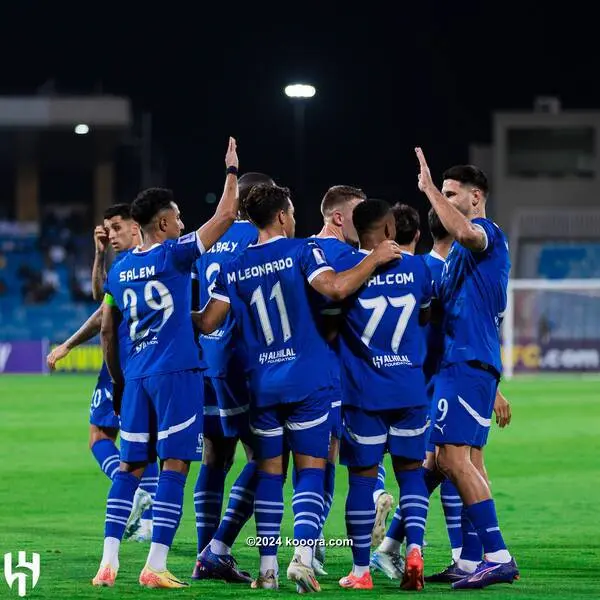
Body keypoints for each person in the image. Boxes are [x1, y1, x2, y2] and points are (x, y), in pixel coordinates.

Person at [192, 183, 402, 592]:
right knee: (310, 472)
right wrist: (375, 257)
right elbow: (337, 288)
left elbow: (206, 322)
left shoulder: (234, 264)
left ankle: (267, 570)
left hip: (260, 384)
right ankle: (303, 555)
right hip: (308, 380)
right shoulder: (303, 251)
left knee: (269, 473)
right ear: (284, 216)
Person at [92, 137, 239, 589]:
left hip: (137, 378)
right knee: (175, 467)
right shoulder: (175, 254)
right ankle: (155, 566)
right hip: (177, 374)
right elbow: (226, 217)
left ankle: (108, 562)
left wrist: (119, 379)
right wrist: (232, 170)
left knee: (131, 468)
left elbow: (108, 327)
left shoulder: (119, 271)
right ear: (161, 222)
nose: (181, 223)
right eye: (176, 217)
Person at [415, 148, 519, 589]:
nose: (445, 200)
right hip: (467, 364)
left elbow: (464, 231)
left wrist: (428, 189)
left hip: (467, 363)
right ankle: (472, 560)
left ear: (476, 198)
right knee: (466, 460)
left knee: (452, 459)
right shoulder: (458, 255)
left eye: (453, 194)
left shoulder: (485, 235)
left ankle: (498, 556)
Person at [333, 200, 432, 591]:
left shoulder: (348, 272)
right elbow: (425, 315)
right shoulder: (419, 267)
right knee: (412, 476)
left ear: (358, 231)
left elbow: (332, 315)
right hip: (409, 389)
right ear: (391, 229)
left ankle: (360, 572)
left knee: (361, 481)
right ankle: (415, 550)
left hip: (363, 394)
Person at [47, 204, 158, 542]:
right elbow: (100, 295)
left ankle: (133, 494)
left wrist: (67, 345)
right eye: (108, 229)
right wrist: (98, 255)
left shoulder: (132, 263)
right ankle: (150, 518)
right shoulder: (149, 260)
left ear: (136, 227)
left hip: (121, 361)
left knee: (99, 435)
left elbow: (102, 315)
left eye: (117, 228)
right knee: (145, 442)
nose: (111, 235)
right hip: (151, 361)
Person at [191, 172, 275, 583]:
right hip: (248, 359)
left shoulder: (208, 241)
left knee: (215, 456)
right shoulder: (257, 238)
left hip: (209, 359)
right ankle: (222, 550)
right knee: (264, 457)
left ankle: (206, 552)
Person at [313, 185, 397, 572]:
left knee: (316, 464)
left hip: (309, 372)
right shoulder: (346, 257)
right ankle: (378, 499)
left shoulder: (307, 250)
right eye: (358, 213)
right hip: (339, 373)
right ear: (337, 218)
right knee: (358, 456)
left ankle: (308, 547)